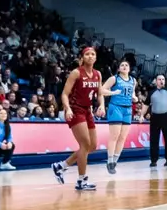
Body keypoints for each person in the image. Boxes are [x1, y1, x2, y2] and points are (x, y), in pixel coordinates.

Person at [52, 45, 100, 191]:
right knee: (85, 145)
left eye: (93, 54)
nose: (90, 56)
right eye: (87, 54)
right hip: (75, 110)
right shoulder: (76, 73)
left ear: (96, 57)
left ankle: (61, 166)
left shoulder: (98, 74)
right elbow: (64, 94)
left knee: (92, 146)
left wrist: (102, 105)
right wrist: (67, 108)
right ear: (82, 58)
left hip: (87, 111)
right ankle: (81, 181)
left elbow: (100, 92)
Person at [100, 58, 138, 174]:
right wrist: (112, 93)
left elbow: (133, 94)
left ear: (130, 68)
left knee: (122, 137)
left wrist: (135, 98)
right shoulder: (114, 79)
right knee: (114, 136)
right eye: (122, 65)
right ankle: (109, 161)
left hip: (128, 109)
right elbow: (101, 90)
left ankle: (115, 162)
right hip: (115, 107)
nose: (125, 67)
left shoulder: (133, 80)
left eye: (127, 65)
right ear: (119, 68)